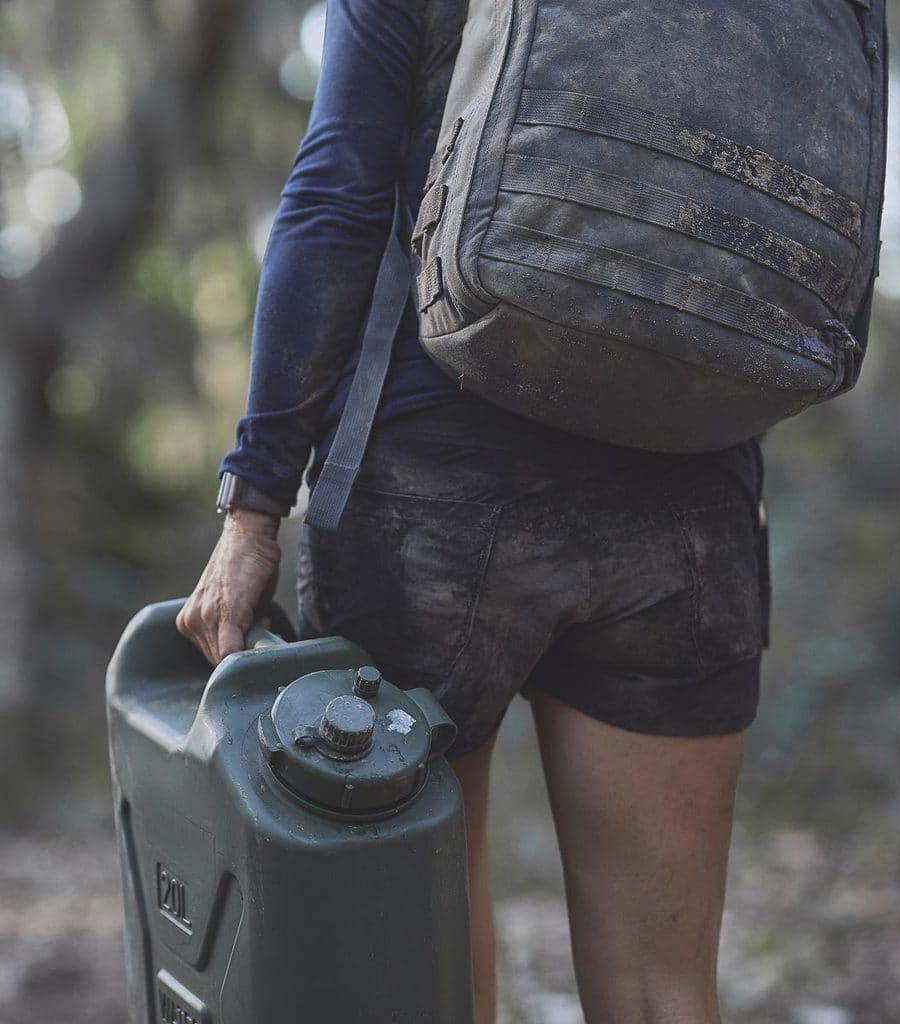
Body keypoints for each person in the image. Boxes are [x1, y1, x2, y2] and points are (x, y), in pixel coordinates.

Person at [178, 1, 770, 1021]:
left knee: (423, 972)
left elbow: (334, 198)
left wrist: (253, 506)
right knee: (665, 988)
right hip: (689, 501)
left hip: (432, 494)